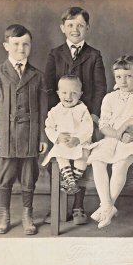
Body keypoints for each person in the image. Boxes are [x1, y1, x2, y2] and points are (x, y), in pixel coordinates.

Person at [44, 6, 107, 224]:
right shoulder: (55, 54)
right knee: (62, 159)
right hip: (61, 119)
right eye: (70, 25)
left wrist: (94, 115)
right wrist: (57, 116)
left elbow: (100, 88)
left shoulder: (94, 55)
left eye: (80, 25)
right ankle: (59, 206)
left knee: (81, 158)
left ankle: (78, 206)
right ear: (63, 28)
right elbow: (49, 87)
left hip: (84, 118)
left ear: (87, 28)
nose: (75, 29)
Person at [0, 24, 47, 235]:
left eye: (25, 44)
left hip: (30, 135)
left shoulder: (37, 76)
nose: (21, 48)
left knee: (29, 176)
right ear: (6, 45)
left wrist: (42, 137)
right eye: (16, 44)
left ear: (30, 46)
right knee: (5, 176)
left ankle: (27, 215)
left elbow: (42, 110)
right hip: (5, 136)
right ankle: (5, 214)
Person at [88, 55, 133, 229]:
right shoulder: (110, 98)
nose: (123, 81)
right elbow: (103, 125)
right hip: (113, 138)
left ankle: (105, 208)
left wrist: (125, 124)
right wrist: (118, 134)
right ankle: (108, 206)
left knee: (120, 164)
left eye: (128, 76)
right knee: (97, 160)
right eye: (119, 77)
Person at [42, 75, 93, 223]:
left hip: (79, 142)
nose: (68, 96)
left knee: (83, 156)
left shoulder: (83, 109)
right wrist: (57, 136)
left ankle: (73, 179)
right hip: (63, 143)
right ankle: (70, 179)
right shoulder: (55, 111)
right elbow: (48, 127)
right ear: (58, 93)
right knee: (59, 155)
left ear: (80, 94)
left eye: (74, 93)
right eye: (64, 93)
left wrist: (78, 138)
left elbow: (88, 127)